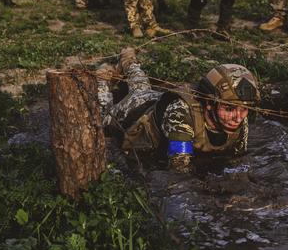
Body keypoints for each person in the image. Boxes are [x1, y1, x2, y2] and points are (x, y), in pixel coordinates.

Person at [97, 47, 260, 173]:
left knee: (140, 86)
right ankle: (102, 78)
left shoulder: (238, 117)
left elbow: (237, 159)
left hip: (157, 101)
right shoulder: (182, 114)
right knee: (102, 119)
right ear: (209, 103)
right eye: (229, 108)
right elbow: (179, 168)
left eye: (245, 109)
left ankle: (128, 60)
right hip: (136, 110)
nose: (238, 117)